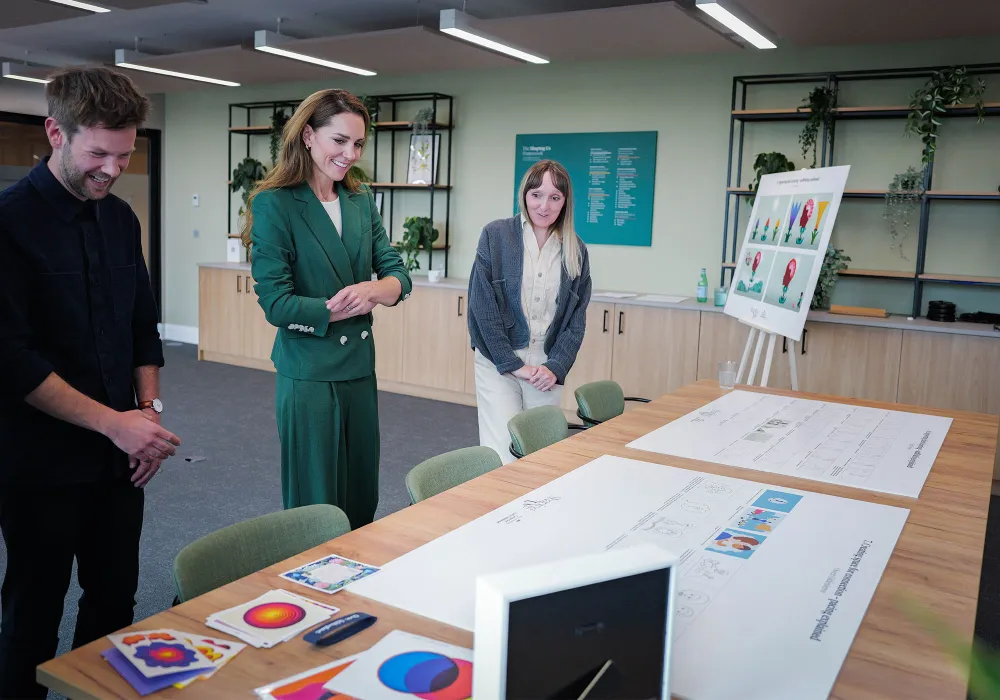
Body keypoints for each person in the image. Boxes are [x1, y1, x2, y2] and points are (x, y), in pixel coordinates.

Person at [0, 66, 181, 698]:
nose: (113, 168)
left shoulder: (121, 219)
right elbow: (12, 360)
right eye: (98, 153)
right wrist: (115, 423)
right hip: (39, 461)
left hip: (119, 456)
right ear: (55, 132)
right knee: (34, 609)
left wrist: (147, 414)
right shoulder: (9, 222)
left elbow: (141, 326)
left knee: (114, 598)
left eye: (126, 154)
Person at [242, 89, 412, 528]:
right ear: (308, 137)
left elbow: (398, 276)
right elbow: (276, 303)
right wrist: (341, 307)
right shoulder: (274, 204)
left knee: (361, 497)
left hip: (358, 369)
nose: (350, 154)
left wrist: (374, 292)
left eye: (358, 144)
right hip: (310, 374)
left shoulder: (359, 201)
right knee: (315, 507)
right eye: (339, 141)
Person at [468, 159, 592, 464]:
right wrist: (512, 364)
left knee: (541, 455)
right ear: (524, 194)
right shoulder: (496, 236)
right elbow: (483, 310)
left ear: (565, 202)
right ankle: (498, 512)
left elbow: (575, 321)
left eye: (554, 197)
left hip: (545, 368)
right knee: (503, 452)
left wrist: (556, 367)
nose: (544, 206)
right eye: (536, 194)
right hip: (499, 362)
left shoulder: (576, 249)